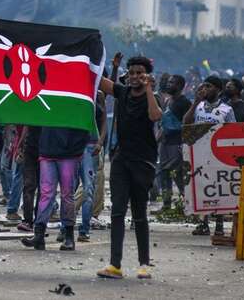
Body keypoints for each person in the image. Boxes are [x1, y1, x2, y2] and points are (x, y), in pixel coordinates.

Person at [95, 54, 161, 280]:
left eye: (139, 73)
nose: (134, 77)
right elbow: (101, 82)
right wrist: (94, 58)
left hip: (143, 162)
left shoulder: (154, 96)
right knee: (117, 212)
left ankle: (145, 264)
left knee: (139, 214)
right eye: (131, 73)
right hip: (121, 160)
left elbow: (155, 116)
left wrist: (149, 88)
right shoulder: (123, 92)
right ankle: (115, 265)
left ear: (147, 74)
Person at [21, 126, 89, 252]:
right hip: (50, 149)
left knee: (66, 194)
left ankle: (67, 235)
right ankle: (40, 234)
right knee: (48, 194)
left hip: (67, 150)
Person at [183, 75, 235, 236]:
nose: (205, 89)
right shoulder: (198, 107)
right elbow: (186, 122)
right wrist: (195, 103)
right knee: (201, 187)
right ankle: (203, 223)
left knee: (218, 187)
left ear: (218, 90)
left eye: (209, 86)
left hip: (219, 155)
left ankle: (219, 225)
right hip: (199, 153)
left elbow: (233, 132)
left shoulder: (227, 110)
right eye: (204, 86)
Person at [74, 91, 108, 242]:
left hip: (91, 146)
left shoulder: (98, 94)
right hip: (74, 146)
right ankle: (65, 227)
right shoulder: (75, 91)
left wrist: (100, 142)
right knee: (69, 188)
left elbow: (104, 122)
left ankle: (84, 229)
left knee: (88, 188)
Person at [158, 74, 191, 210]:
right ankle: (166, 204)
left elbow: (188, 125)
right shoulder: (167, 101)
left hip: (177, 143)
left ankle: (188, 203)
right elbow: (163, 124)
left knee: (177, 175)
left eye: (172, 83)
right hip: (165, 143)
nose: (168, 85)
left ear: (180, 86)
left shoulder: (185, 103)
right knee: (164, 174)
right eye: (169, 82)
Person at [17, 126, 41, 232]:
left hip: (43, 150)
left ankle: (36, 221)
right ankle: (29, 220)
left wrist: (21, 144)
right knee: (29, 186)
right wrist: (21, 144)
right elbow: (27, 126)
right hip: (32, 149)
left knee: (39, 188)